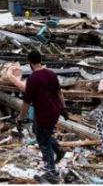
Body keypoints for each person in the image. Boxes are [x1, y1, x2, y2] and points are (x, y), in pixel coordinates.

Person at [18, 51, 65, 183]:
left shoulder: (32, 79)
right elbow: (59, 92)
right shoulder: (50, 73)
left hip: (44, 113)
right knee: (39, 131)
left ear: (30, 63)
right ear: (40, 60)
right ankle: (58, 149)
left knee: (44, 143)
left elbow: (26, 103)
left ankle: (51, 173)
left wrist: (20, 119)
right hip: (55, 111)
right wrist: (64, 108)